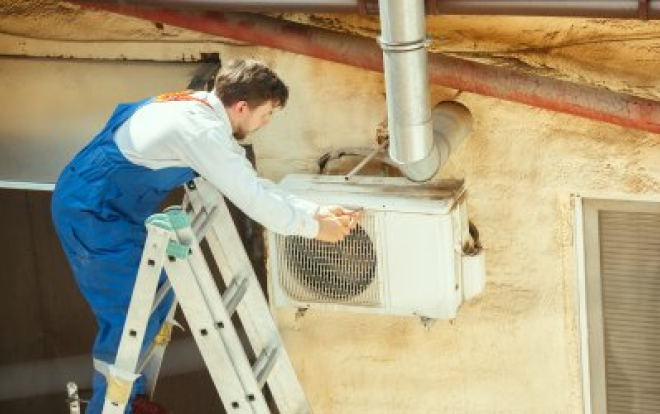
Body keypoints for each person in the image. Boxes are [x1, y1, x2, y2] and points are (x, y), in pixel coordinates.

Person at [51, 58, 360, 413]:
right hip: (93, 214)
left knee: (153, 299)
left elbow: (251, 183)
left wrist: (314, 211)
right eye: (266, 114)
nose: (265, 123)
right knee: (126, 318)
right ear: (241, 106)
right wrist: (315, 229)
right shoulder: (202, 133)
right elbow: (253, 200)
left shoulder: (197, 108)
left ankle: (129, 397)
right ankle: (112, 407)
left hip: (111, 207)